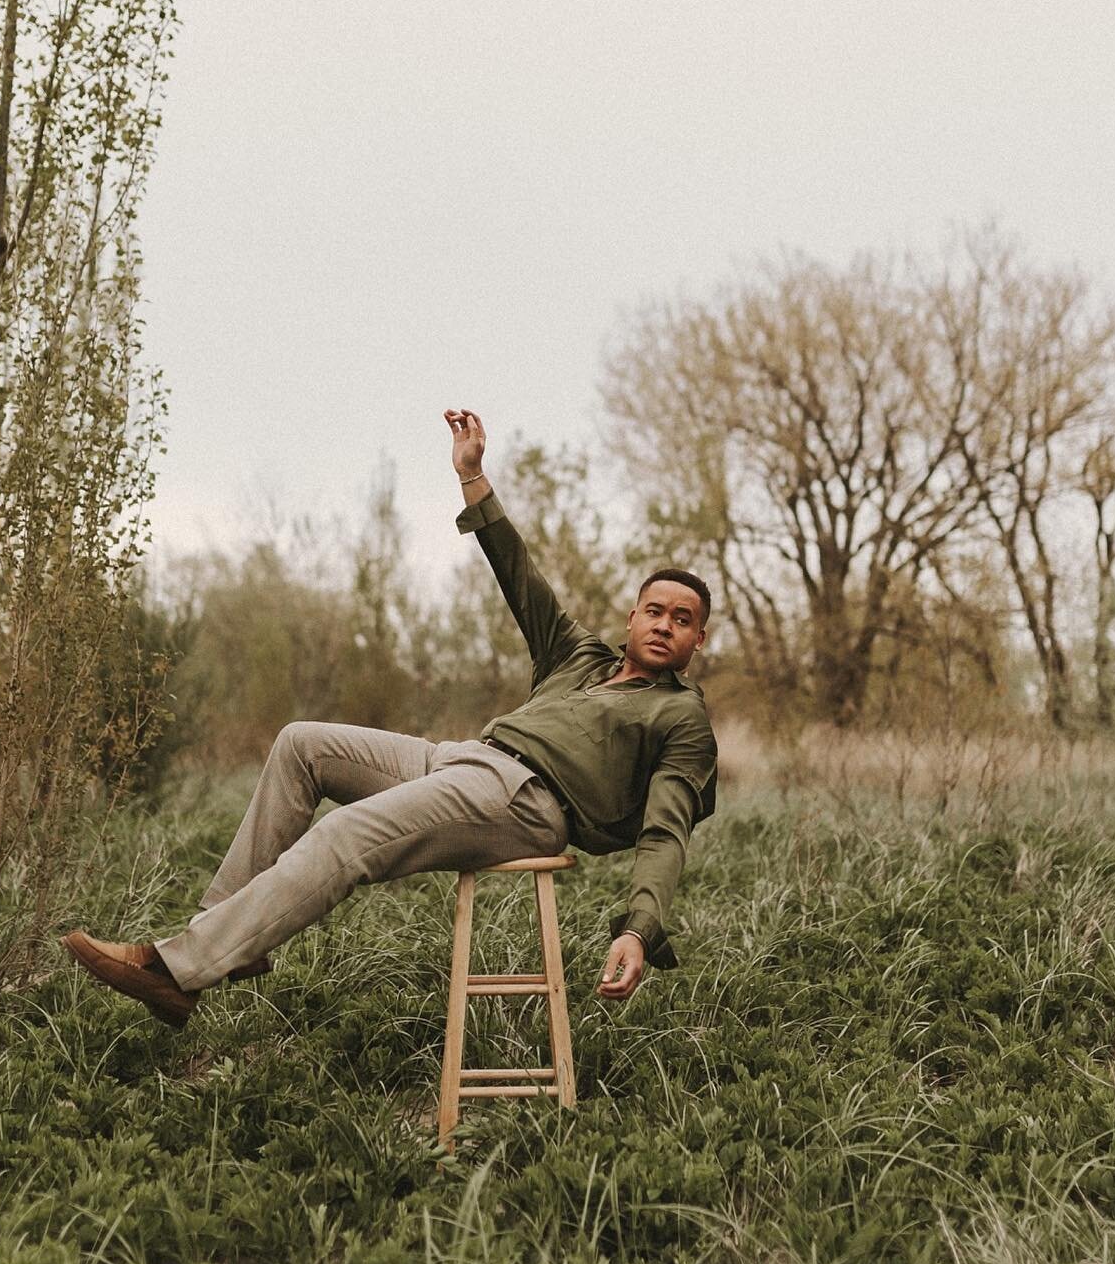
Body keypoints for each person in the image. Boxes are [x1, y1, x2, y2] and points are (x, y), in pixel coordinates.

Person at [62, 408, 719, 1028]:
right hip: (461, 759)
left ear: (699, 640)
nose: (664, 625)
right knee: (302, 745)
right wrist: (471, 474)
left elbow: (665, 833)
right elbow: (518, 572)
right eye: (654, 611)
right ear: (632, 617)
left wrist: (638, 928)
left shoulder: (679, 718)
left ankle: (179, 972)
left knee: (345, 834)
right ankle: (229, 936)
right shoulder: (579, 655)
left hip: (525, 802)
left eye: (682, 620)